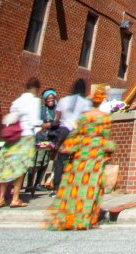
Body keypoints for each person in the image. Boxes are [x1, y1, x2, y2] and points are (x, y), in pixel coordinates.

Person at [47, 83, 115, 230]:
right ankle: (88, 218)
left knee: (75, 184)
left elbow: (75, 132)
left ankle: (69, 214)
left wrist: (69, 147)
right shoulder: (104, 118)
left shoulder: (83, 116)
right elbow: (106, 139)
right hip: (95, 154)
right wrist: (109, 150)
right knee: (92, 186)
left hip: (81, 152)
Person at [0, 77, 42, 208]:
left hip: (12, 137)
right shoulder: (35, 101)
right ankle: (15, 198)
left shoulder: (17, 101)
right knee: (21, 167)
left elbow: (10, 120)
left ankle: (1, 198)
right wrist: (44, 125)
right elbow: (35, 121)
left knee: (7, 166)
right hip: (26, 136)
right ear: (36, 88)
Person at [49, 79, 92, 192]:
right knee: (77, 159)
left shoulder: (63, 100)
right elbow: (86, 119)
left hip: (63, 131)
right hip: (77, 132)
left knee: (60, 160)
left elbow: (57, 118)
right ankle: (73, 184)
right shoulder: (85, 102)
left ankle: (57, 187)